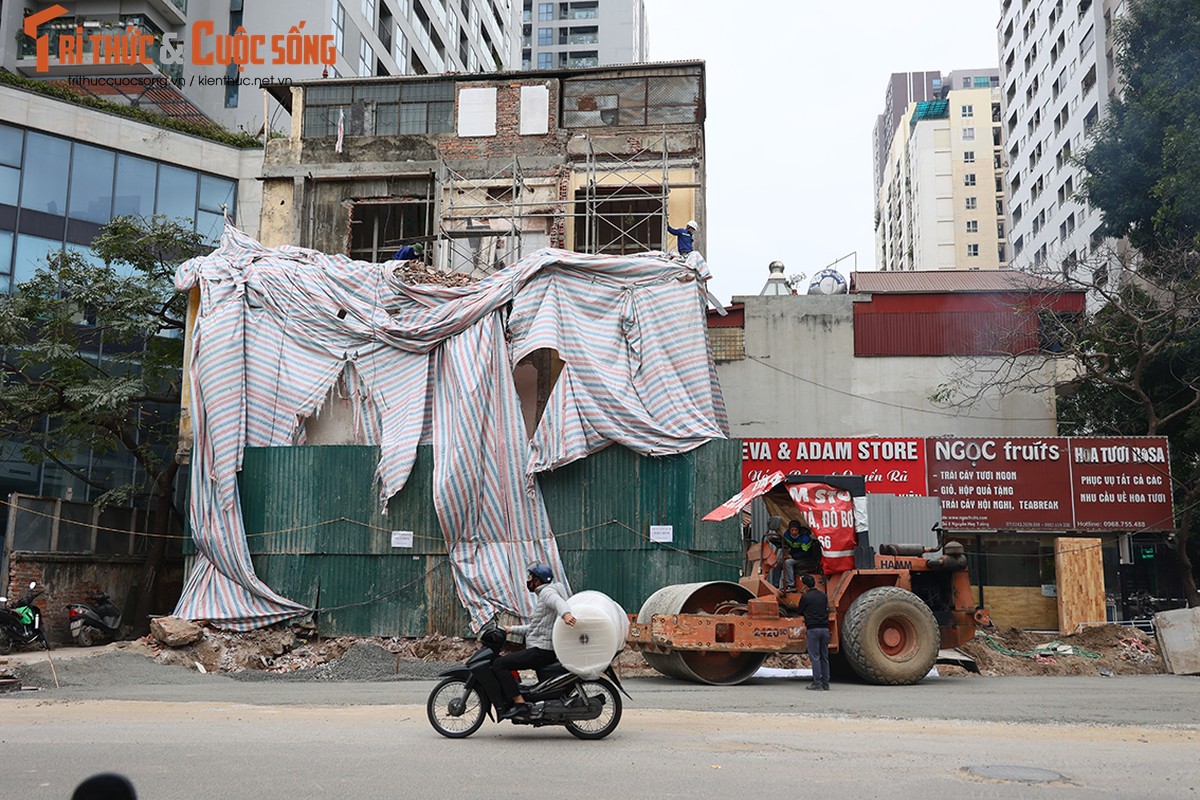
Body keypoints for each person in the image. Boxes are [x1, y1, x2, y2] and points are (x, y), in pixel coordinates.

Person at [492, 563, 577, 719]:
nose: (528, 580)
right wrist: (511, 629)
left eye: (530, 577)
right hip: (542, 648)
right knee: (505, 662)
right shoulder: (544, 595)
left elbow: (558, 602)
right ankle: (520, 696)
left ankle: (519, 703)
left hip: (541, 650)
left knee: (499, 664)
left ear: (538, 580)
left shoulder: (547, 593)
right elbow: (535, 627)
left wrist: (566, 614)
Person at [798, 574, 830, 691]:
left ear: (805, 586)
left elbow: (800, 611)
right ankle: (826, 683)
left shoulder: (806, 598)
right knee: (824, 657)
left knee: (815, 657)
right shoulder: (823, 596)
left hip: (813, 630)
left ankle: (817, 683)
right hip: (825, 629)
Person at [777, 520, 823, 591]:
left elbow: (805, 553)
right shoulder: (786, 536)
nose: (794, 532)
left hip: (805, 558)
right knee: (778, 563)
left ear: (799, 530)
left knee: (788, 562)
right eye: (792, 530)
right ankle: (775, 584)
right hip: (794, 556)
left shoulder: (805, 539)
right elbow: (787, 544)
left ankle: (791, 585)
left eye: (796, 530)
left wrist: (792, 556)